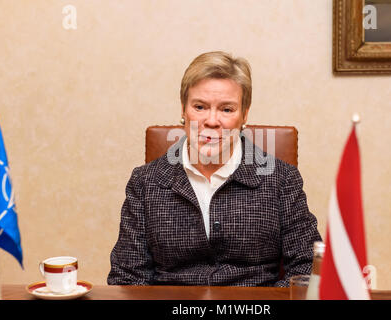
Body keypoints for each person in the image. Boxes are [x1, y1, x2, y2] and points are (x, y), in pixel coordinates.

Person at [107, 51, 321, 287]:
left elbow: (308, 269)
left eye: (227, 109)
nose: (211, 120)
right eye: (200, 107)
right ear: (183, 111)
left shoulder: (282, 180)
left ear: (244, 115)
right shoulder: (145, 182)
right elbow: (127, 278)